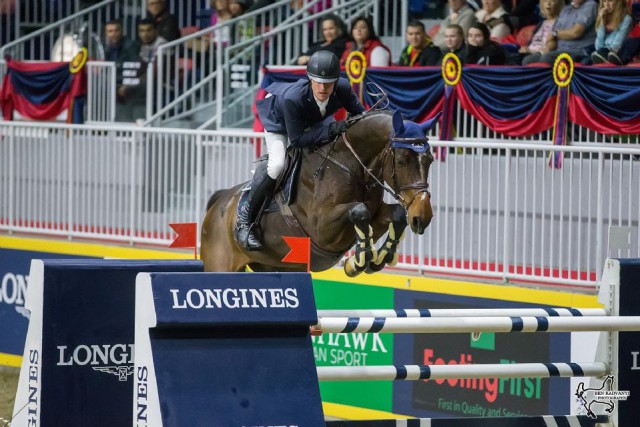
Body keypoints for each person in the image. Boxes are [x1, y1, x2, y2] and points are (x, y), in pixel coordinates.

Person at [243, 50, 366, 250]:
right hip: (281, 122)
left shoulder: (342, 87)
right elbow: (299, 140)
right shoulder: (293, 98)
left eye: (329, 83)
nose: (323, 87)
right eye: (317, 82)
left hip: (314, 119)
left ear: (337, 81)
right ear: (309, 79)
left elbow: (360, 114)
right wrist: (333, 128)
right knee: (277, 165)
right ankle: (246, 221)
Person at [522, 0, 598, 65]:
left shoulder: (590, 5)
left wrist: (555, 34)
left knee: (547, 58)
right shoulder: (566, 10)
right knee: (527, 60)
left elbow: (576, 32)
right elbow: (551, 38)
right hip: (559, 50)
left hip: (580, 50)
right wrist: (548, 48)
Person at [104, 19, 141, 121]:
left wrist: (126, 85)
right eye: (110, 31)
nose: (113, 34)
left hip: (126, 84)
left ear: (122, 31)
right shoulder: (106, 48)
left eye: (116, 30)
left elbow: (135, 68)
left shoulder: (131, 46)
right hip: (112, 83)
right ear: (106, 33)